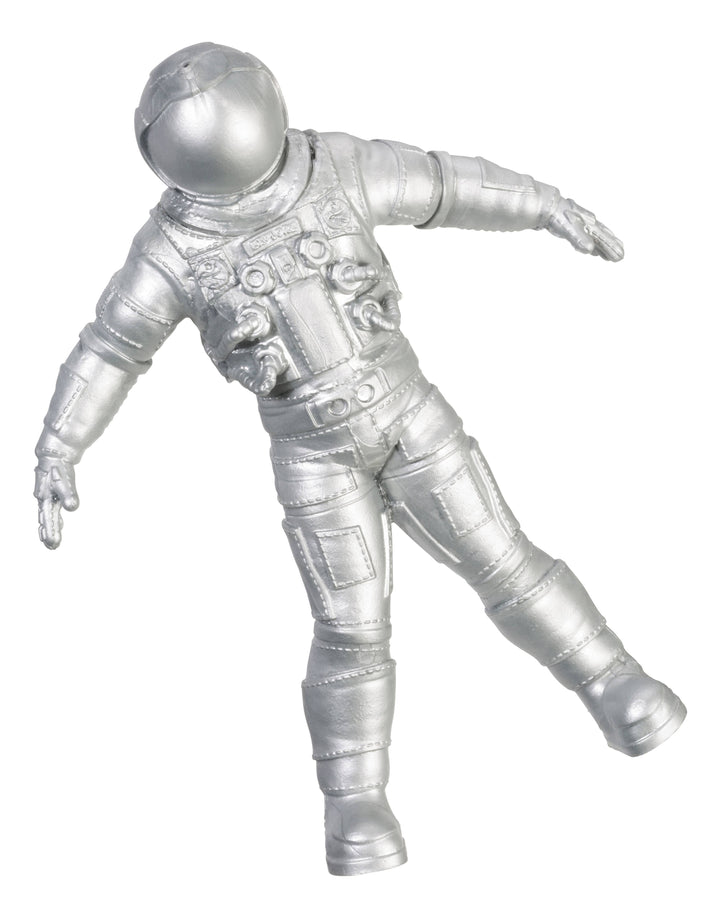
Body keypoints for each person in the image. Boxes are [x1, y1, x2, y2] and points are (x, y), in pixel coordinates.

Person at [34, 42, 685, 876]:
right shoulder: (172, 250)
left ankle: (612, 682)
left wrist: (543, 205)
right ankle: (356, 802)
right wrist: (60, 444)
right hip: (314, 458)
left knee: (503, 560)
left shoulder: (334, 169)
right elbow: (113, 346)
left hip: (407, 414)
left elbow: (446, 185)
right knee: (353, 627)